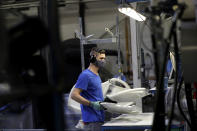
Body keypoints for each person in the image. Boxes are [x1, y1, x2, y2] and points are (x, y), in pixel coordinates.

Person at [71, 47, 106, 131]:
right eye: (101, 58)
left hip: (98, 120)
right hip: (91, 121)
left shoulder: (96, 75)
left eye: (104, 58)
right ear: (93, 58)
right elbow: (74, 95)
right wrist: (92, 104)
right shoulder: (86, 75)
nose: (103, 61)